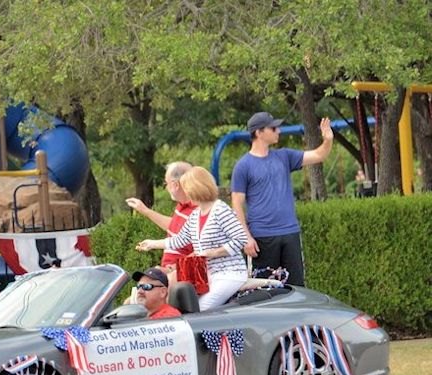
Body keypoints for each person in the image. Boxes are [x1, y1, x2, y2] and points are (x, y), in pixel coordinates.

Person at [231, 112, 334, 286]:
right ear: (259, 133)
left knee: (296, 288)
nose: (278, 130)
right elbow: (237, 204)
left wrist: (328, 139)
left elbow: (318, 155)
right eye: (273, 128)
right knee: (265, 291)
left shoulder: (284, 156)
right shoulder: (243, 166)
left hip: (290, 233)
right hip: (261, 238)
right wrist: (246, 237)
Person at [137, 167, 248, 311]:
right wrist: (151, 244)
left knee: (200, 308)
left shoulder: (220, 210)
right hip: (208, 275)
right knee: (185, 305)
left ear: (197, 188)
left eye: (187, 188)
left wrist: (212, 253)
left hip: (230, 274)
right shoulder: (195, 215)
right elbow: (179, 240)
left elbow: (240, 239)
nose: (186, 193)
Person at [126, 162, 195, 273]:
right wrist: (144, 210)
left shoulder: (198, 210)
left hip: (183, 276)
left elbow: (204, 251)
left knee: (146, 286)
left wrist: (173, 269)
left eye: (166, 183)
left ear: (175, 185)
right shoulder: (183, 205)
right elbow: (174, 227)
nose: (166, 187)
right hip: (170, 271)